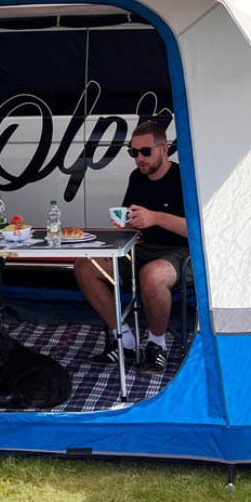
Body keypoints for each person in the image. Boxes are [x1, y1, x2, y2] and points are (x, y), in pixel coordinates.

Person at [73, 120, 188, 375]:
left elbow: (200, 230)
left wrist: (156, 218)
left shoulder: (184, 178)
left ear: (164, 149)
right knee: (84, 266)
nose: (139, 158)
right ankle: (124, 339)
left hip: (180, 253)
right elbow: (131, 218)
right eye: (133, 152)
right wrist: (123, 223)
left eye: (145, 151)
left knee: (152, 275)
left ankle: (157, 345)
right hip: (140, 249)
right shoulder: (137, 177)